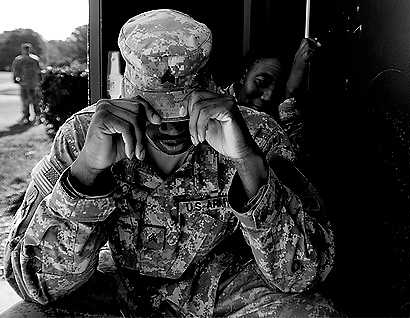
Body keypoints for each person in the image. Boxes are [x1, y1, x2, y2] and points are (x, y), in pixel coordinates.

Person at [3, 9, 339, 318]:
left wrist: (247, 162)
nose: (169, 125)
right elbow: (34, 283)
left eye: (182, 109)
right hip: (117, 289)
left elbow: (302, 275)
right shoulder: (83, 135)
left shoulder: (256, 135)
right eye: (154, 109)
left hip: (218, 292)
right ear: (126, 88)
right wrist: (86, 172)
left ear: (210, 85)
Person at [226, 38, 320, 166]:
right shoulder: (216, 107)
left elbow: (293, 169)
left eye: (277, 90)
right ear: (244, 74)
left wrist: (290, 92)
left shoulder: (278, 118)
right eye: (261, 82)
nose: (268, 97)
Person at [11, 42, 42, 125]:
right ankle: (26, 117)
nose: (26, 50)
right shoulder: (19, 60)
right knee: (25, 102)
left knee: (35, 102)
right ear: (22, 49)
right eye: (25, 49)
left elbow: (39, 72)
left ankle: (37, 117)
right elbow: (15, 70)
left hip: (34, 84)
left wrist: (39, 82)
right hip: (24, 84)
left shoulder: (34, 59)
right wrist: (15, 79)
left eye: (27, 49)